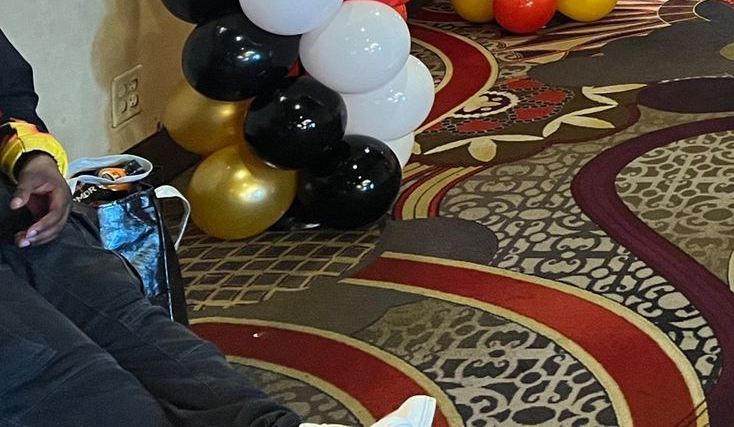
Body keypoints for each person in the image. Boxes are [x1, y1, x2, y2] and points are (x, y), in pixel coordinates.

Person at [0, 27, 432, 427]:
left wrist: (31, 158)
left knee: (130, 322)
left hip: (15, 205)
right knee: (64, 375)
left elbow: (8, 95)